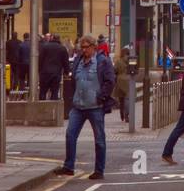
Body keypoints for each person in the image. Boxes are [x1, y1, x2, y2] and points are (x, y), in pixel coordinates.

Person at [57, 35, 115, 179]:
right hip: (78, 106)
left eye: (86, 47)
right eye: (81, 47)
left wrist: (101, 97)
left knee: (99, 139)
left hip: (95, 106)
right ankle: (69, 166)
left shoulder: (102, 62)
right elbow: (73, 80)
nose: (84, 50)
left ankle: (99, 170)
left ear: (94, 47)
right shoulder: (78, 61)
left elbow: (110, 81)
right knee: (70, 135)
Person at [39, 33, 68, 101]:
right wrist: (66, 71)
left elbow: (40, 59)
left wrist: (39, 70)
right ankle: (53, 108)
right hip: (56, 73)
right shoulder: (62, 48)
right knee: (54, 92)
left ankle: (41, 108)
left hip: (45, 73)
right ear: (59, 39)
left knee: (43, 92)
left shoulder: (45, 47)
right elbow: (65, 61)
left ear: (52, 38)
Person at [113, 47, 131, 123]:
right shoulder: (130, 61)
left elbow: (114, 70)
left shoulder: (118, 61)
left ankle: (122, 113)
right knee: (127, 98)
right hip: (128, 81)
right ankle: (126, 114)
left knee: (121, 99)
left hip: (120, 81)